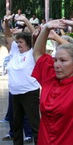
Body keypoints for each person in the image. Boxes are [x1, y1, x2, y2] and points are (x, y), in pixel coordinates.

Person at [4, 14, 40, 145]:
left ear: (28, 43)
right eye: (17, 42)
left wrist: (25, 20)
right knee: (16, 124)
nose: (18, 44)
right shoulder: (14, 51)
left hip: (30, 93)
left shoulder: (33, 53)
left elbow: (36, 34)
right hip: (14, 93)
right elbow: (8, 36)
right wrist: (6, 23)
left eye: (21, 42)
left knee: (34, 124)